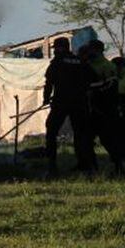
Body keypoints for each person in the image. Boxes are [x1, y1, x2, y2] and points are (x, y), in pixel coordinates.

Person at [83, 39, 125, 178]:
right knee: (87, 140)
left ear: (97, 50)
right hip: (94, 111)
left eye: (90, 50)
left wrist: (90, 89)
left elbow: (109, 87)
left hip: (107, 110)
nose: (88, 52)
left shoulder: (107, 66)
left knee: (117, 141)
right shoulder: (88, 65)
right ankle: (95, 170)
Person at [43, 36, 93, 176]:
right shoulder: (80, 61)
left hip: (61, 102)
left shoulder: (57, 62)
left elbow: (48, 83)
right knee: (80, 134)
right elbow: (91, 79)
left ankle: (52, 167)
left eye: (55, 49)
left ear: (60, 48)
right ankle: (85, 165)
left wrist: (46, 99)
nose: (54, 52)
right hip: (80, 103)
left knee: (51, 132)